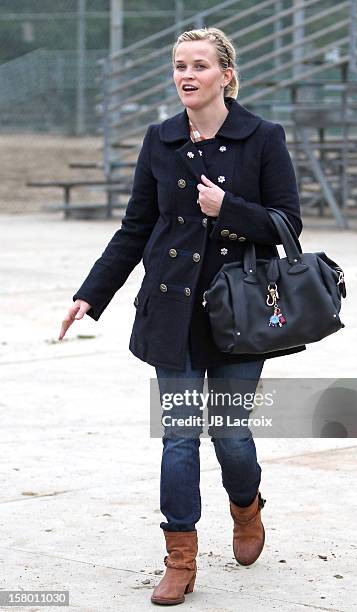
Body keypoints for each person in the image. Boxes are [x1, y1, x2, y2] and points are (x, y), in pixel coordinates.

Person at [59, 26, 304, 606]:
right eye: (178, 66)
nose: (186, 75)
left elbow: (288, 226)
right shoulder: (160, 139)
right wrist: (91, 293)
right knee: (177, 438)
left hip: (238, 314)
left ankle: (246, 506)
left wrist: (229, 210)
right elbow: (136, 227)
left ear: (226, 74)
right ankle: (180, 556)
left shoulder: (262, 137)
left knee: (232, 436)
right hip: (171, 311)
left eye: (198, 65)